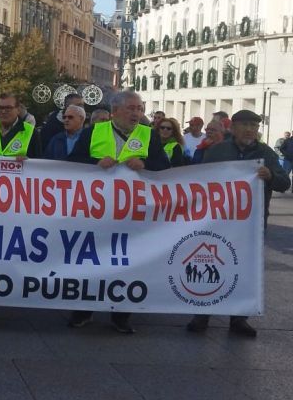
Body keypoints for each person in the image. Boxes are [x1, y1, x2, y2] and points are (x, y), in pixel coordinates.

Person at [67, 91, 170, 334]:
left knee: (128, 262)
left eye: (140, 108)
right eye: (131, 108)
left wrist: (145, 165)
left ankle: (121, 315)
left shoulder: (149, 135)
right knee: (91, 260)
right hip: (97, 210)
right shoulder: (94, 132)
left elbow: (165, 168)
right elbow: (72, 163)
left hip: (133, 212)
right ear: (115, 111)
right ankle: (83, 311)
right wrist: (94, 165)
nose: (136, 113)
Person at [187, 110, 290, 337]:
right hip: (217, 222)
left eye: (254, 125)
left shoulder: (266, 153)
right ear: (232, 128)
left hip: (250, 225)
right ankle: (202, 315)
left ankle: (239, 319)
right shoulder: (218, 151)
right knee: (209, 266)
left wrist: (270, 176)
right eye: (244, 125)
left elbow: (284, 182)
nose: (249, 129)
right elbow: (200, 180)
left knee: (245, 271)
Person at [0, 92, 42, 159]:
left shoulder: (31, 132)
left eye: (8, 108)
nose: (3, 111)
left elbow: (38, 163)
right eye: (0, 108)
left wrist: (28, 161)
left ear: (18, 110)